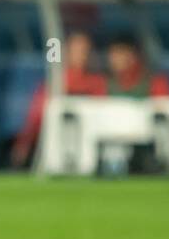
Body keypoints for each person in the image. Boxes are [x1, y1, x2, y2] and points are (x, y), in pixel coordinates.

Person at [11, 31, 107, 168]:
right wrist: (24, 143)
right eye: (76, 50)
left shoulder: (97, 83)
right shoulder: (55, 82)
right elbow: (36, 116)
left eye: (84, 51)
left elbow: (101, 113)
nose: (81, 55)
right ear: (66, 52)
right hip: (55, 142)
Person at [104, 34, 169, 97]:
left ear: (134, 56)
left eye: (119, 54)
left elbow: (163, 105)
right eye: (112, 55)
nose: (113, 60)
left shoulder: (157, 82)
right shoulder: (104, 83)